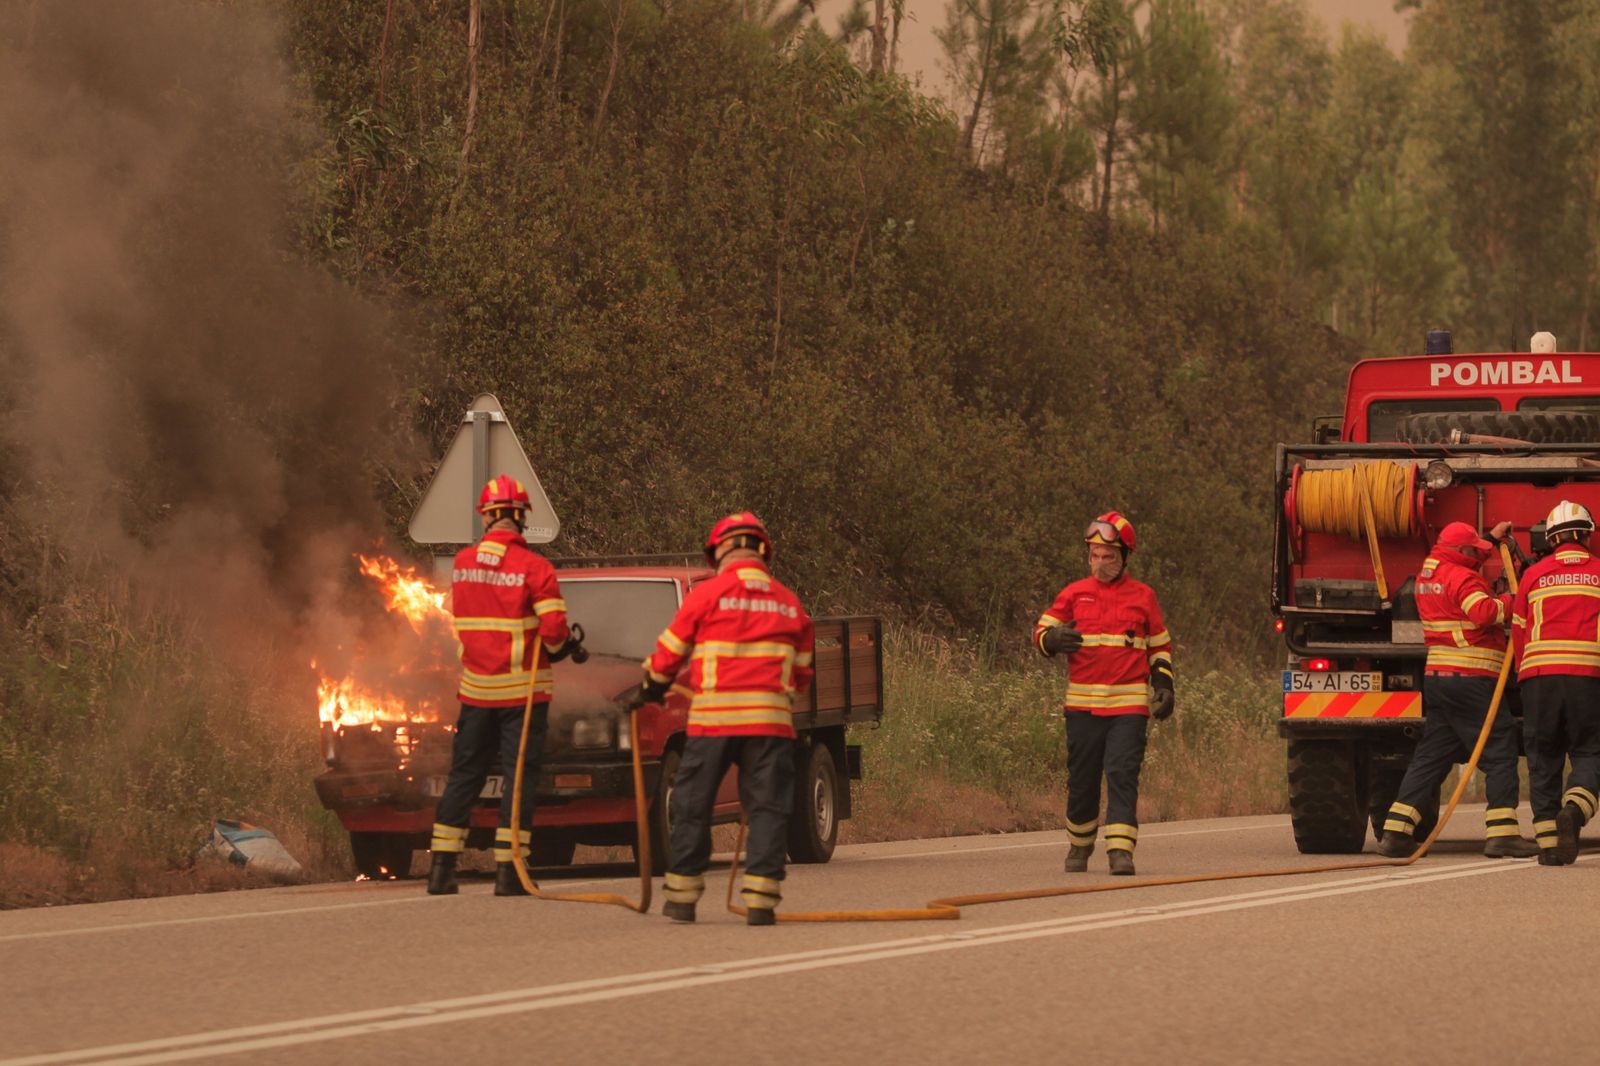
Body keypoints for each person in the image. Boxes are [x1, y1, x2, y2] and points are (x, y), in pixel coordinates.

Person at [641, 513, 815, 925]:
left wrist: (649, 688)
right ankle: (761, 902)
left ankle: (682, 898)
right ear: (763, 552)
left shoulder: (707, 595)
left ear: (718, 551)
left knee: (692, 805)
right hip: (769, 724)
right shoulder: (789, 603)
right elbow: (802, 675)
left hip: (713, 723)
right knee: (767, 809)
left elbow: (669, 654)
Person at [426, 475, 574, 896]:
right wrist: (561, 646)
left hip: (476, 692)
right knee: (518, 779)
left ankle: (441, 870)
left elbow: (460, 618)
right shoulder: (535, 568)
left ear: (486, 517)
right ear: (522, 518)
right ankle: (510, 873)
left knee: (465, 775)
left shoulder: (462, 564)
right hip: (522, 694)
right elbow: (554, 633)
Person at [1376, 521, 1538, 858]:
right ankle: (1503, 833)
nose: (1476, 555)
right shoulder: (1464, 578)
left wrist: (1490, 541)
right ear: (1461, 551)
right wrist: (1513, 600)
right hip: (1471, 678)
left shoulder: (1429, 573)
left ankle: (1395, 832)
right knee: (1500, 748)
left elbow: (1462, 570)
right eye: (1472, 549)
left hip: (1439, 678)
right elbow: (1483, 612)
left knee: (1431, 757)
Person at [1033, 511, 1173, 876]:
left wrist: (1164, 685)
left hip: (1128, 708)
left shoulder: (1143, 597)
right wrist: (1052, 639)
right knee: (1082, 779)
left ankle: (1120, 852)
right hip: (1081, 708)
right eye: (1094, 555)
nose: (1099, 563)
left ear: (1124, 556)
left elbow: (1159, 647)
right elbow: (1041, 632)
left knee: (1122, 774)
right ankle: (1079, 845)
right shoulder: (1073, 594)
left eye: (1108, 556)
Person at [1511, 500, 1600, 866]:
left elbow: (1518, 630)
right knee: (1590, 752)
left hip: (1538, 680)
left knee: (1543, 758)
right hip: (1587, 678)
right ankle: (1574, 810)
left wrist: (1523, 674)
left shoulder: (1533, 575)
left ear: (1551, 539)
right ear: (1587, 536)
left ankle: (1549, 846)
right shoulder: (1599, 573)